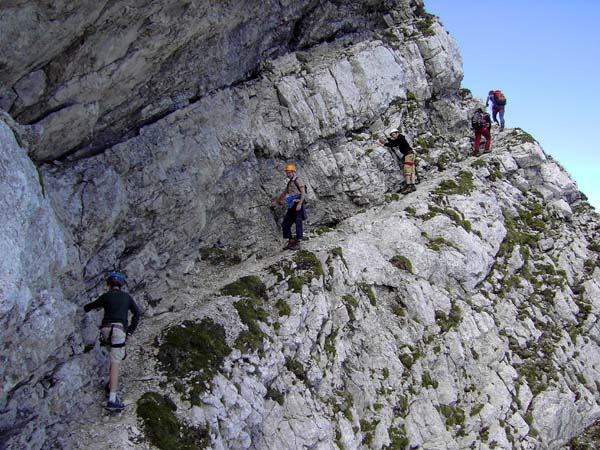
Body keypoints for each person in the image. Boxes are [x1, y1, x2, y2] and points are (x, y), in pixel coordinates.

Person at [84, 271, 141, 411]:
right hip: (119, 330)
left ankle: (110, 385)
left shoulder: (106, 296)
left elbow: (89, 307)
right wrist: (130, 332)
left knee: (114, 354)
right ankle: (112, 399)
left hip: (105, 329)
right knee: (116, 361)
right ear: (121, 285)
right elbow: (137, 313)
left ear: (109, 284)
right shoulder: (126, 297)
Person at [271, 164, 306, 250]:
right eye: (286, 173)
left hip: (298, 203)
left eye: (289, 172)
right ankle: (290, 241)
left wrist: (300, 204)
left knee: (298, 223)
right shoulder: (290, 183)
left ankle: (299, 242)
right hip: (292, 205)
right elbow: (284, 193)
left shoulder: (298, 180)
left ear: (293, 172)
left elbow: (303, 193)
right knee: (285, 223)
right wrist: (276, 201)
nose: (287, 174)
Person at [378, 128, 416, 193]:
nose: (393, 136)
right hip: (411, 154)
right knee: (412, 171)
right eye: (392, 135)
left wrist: (383, 144)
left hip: (408, 156)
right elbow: (394, 142)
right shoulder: (401, 138)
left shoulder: (400, 138)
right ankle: (412, 186)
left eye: (394, 134)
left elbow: (394, 144)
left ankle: (409, 187)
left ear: (397, 133)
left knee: (407, 171)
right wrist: (388, 139)